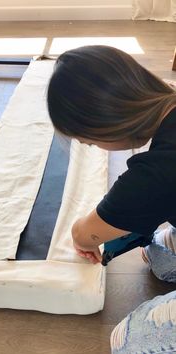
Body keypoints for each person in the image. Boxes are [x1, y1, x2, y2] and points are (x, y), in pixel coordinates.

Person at [47, 45, 176, 354]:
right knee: (158, 253)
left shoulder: (153, 175)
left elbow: (83, 232)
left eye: (89, 142)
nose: (94, 147)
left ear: (105, 123)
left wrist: (89, 239)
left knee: (129, 340)